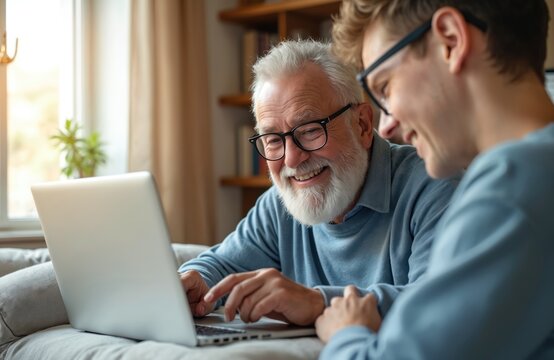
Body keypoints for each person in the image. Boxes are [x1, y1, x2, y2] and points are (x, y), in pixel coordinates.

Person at [316, 1, 554, 359]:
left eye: (384, 87)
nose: (386, 126)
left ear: (451, 40)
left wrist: (347, 334)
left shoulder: (512, 189)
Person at [178, 40, 458, 327]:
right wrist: (196, 279)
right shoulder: (279, 205)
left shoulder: (434, 184)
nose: (291, 160)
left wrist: (317, 303)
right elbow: (223, 264)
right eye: (273, 140)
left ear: (361, 124)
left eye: (310, 130)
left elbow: (441, 305)